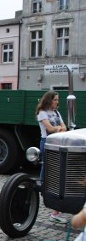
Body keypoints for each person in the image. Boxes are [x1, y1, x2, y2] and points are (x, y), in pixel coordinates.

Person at [36, 90, 68, 223]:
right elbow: (49, 128)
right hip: (47, 142)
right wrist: (59, 128)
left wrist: (60, 129)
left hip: (58, 141)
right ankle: (44, 188)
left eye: (57, 99)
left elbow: (64, 127)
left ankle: (56, 206)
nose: (57, 102)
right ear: (49, 100)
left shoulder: (56, 112)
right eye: (55, 99)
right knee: (47, 168)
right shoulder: (42, 113)